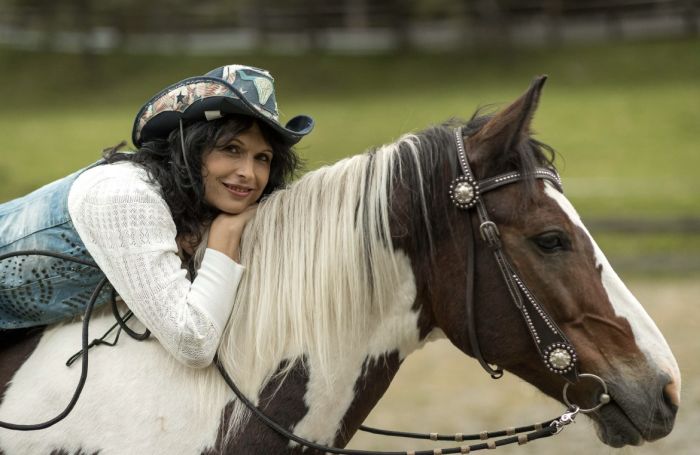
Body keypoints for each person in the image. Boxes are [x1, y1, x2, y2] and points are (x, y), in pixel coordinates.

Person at [0, 64, 314, 368]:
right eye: (231, 149)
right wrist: (226, 233)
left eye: (263, 158)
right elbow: (193, 344)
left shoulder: (191, 206)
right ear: (192, 149)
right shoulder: (127, 198)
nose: (249, 173)